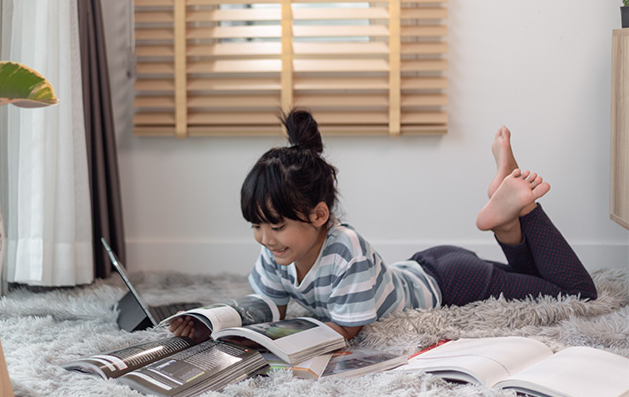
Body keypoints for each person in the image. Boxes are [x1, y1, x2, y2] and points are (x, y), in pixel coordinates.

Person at [169, 109, 597, 341]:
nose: (265, 239)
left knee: (575, 293)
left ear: (319, 216)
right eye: (256, 227)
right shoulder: (277, 251)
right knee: (534, 278)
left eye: (275, 226)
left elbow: (346, 330)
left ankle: (524, 212)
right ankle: (506, 217)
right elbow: (269, 302)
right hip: (431, 266)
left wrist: (275, 349)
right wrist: (216, 320)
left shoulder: (345, 249)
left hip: (452, 282)